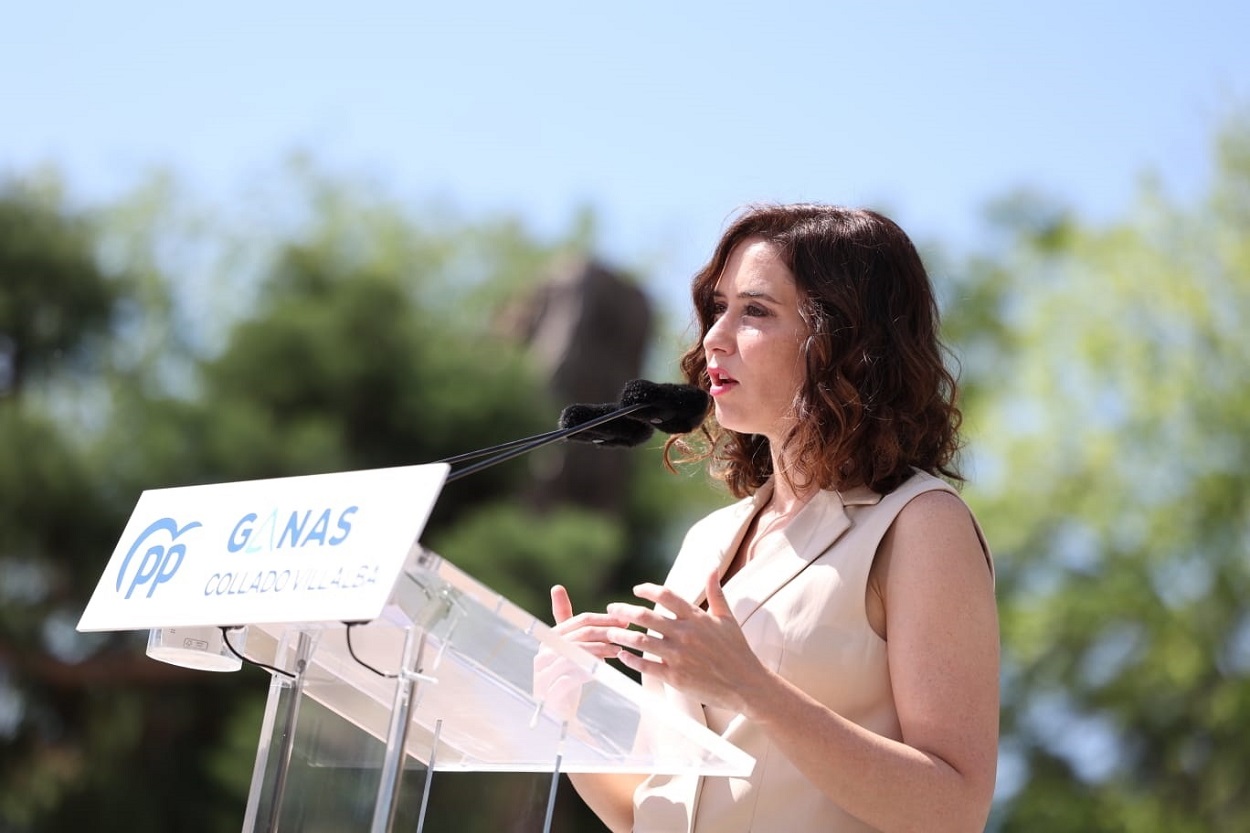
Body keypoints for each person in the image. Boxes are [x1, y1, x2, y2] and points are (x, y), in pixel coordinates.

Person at [549, 204, 999, 833]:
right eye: (719, 306)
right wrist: (572, 710)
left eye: (756, 311)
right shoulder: (707, 541)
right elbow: (646, 812)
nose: (714, 336)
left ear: (844, 339)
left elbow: (954, 808)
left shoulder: (919, 524)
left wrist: (753, 691)